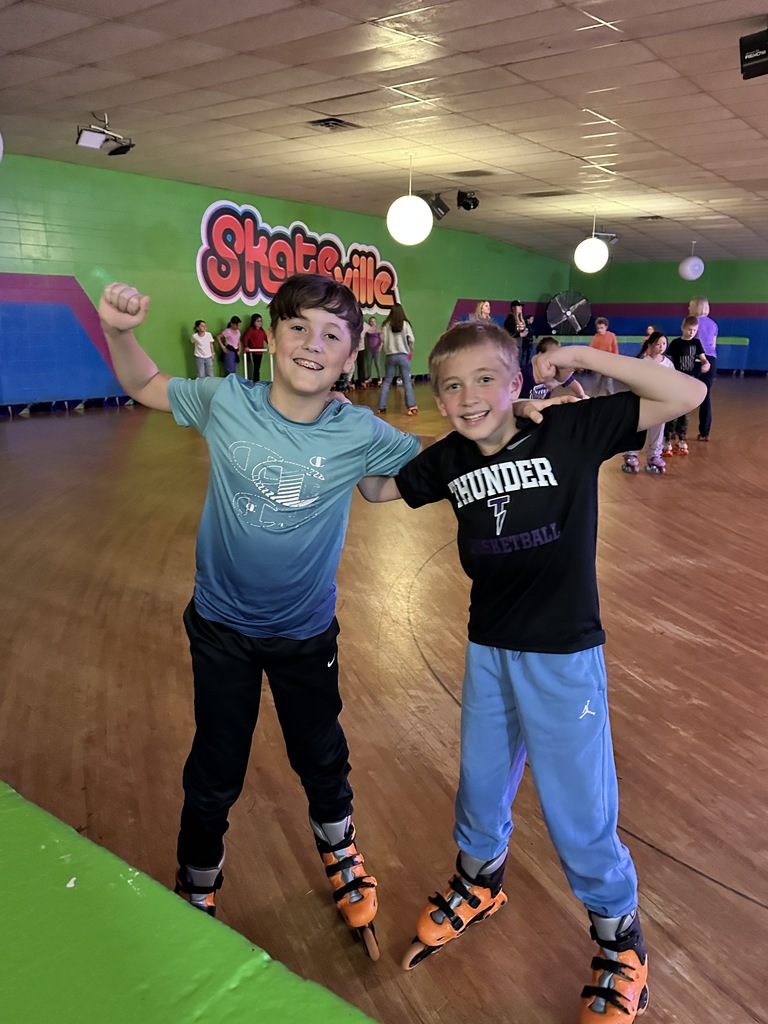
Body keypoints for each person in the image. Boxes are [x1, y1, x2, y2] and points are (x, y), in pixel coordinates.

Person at [358, 320, 705, 1022]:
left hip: (563, 653)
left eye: (486, 379)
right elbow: (377, 491)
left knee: (579, 809)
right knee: (482, 782)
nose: (469, 396)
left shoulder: (567, 429)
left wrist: (574, 357)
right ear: (438, 398)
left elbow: (686, 392)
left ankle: (621, 942)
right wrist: (345, 425)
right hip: (489, 647)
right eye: (452, 386)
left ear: (517, 380)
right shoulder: (450, 457)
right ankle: (480, 881)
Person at [97, 274, 427, 960]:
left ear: (351, 356)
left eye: (332, 335)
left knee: (320, 751)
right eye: (298, 326)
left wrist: (503, 426)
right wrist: (118, 332)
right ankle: (197, 876)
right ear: (271, 338)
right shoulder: (226, 401)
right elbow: (145, 383)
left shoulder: (357, 429)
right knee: (216, 763)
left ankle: (339, 847)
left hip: (305, 633)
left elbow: (396, 480)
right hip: (222, 629)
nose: (313, 343)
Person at [622, 332, 673, 474]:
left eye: (664, 344)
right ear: (650, 345)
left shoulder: (668, 364)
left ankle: (654, 455)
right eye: (658, 344)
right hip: (644, 401)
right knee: (639, 427)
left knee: (658, 429)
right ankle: (631, 453)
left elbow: (673, 381)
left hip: (660, 402)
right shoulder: (644, 362)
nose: (661, 347)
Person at [665, 316, 710, 455]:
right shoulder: (675, 343)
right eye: (689, 329)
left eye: (694, 330)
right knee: (674, 410)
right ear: (683, 328)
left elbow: (703, 358)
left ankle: (681, 438)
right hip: (676, 380)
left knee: (685, 411)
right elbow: (668, 360)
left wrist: (706, 363)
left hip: (689, 380)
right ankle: (667, 439)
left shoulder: (696, 343)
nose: (692, 332)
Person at [378, 303, 417, 416]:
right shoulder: (405, 324)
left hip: (390, 356)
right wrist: (410, 350)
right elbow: (412, 339)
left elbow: (382, 339)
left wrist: (387, 348)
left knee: (387, 382)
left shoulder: (386, 325)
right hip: (403, 355)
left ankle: (381, 407)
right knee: (407, 382)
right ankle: (411, 406)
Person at [520, 337, 588, 401]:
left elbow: (572, 382)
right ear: (540, 355)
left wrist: (582, 395)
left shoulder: (555, 370)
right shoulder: (525, 373)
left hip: (541, 404)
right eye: (551, 356)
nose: (555, 359)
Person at [688, 297, 718, 441]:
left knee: (684, 395)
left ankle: (678, 430)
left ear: (695, 307)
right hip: (711, 360)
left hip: (696, 359)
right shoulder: (713, 324)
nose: (688, 308)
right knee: (706, 397)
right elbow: (713, 346)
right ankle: (704, 432)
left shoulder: (692, 322)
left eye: (690, 306)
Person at [589, 317, 619, 396]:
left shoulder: (611, 336)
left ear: (606, 327)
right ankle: (593, 399)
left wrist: (615, 361)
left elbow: (615, 349)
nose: (599, 330)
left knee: (608, 384)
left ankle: (611, 399)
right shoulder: (595, 338)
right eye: (598, 328)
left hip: (608, 364)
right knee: (596, 383)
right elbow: (591, 351)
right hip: (597, 364)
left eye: (601, 328)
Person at [242, 313, 268, 382]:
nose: (260, 323)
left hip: (260, 352)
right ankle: (255, 382)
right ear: (253, 322)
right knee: (255, 368)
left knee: (258, 368)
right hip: (253, 352)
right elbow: (245, 338)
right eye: (258, 321)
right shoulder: (251, 330)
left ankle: (257, 381)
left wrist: (272, 346)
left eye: (260, 321)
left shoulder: (262, 331)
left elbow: (267, 339)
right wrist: (246, 346)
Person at [503, 300, 531, 364]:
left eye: (521, 306)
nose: (521, 307)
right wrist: (520, 334)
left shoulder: (521, 320)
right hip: (512, 346)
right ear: (514, 308)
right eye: (518, 306)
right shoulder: (510, 319)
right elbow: (508, 334)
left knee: (519, 363)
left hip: (520, 345)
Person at [363, 315, 383, 386]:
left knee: (377, 363)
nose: (372, 323)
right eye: (371, 321)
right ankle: (369, 377)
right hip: (369, 349)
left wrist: (380, 346)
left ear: (376, 322)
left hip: (376, 348)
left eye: (374, 321)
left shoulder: (378, 329)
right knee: (369, 363)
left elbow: (382, 339)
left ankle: (380, 378)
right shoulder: (368, 330)